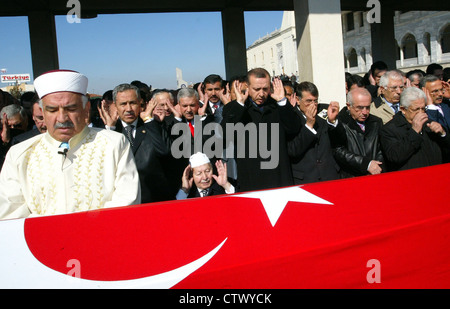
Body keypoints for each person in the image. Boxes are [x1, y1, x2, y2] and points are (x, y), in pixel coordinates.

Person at [0, 70, 141, 220]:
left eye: (71, 109)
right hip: (39, 242)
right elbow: (9, 212)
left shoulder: (113, 144)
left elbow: (127, 201)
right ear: (42, 112)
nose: (62, 118)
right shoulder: (20, 154)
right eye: (52, 110)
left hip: (101, 239)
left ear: (86, 110)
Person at [221, 68, 301, 192]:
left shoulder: (279, 105)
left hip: (279, 178)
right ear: (247, 87)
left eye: (265, 88)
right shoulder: (234, 108)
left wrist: (282, 102)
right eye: (257, 89)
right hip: (251, 179)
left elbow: (293, 129)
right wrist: (240, 105)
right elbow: (225, 134)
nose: (261, 93)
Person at [99, 83, 174, 203]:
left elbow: (164, 151)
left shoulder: (153, 124)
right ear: (115, 105)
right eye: (123, 104)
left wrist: (149, 120)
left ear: (140, 103)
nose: (128, 109)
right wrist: (110, 130)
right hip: (123, 202)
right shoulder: (109, 130)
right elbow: (104, 163)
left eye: (132, 103)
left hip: (154, 200)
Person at [380, 87, 450, 172]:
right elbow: (395, 157)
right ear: (403, 109)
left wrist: (443, 133)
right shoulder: (389, 129)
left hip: (436, 175)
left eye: (423, 108)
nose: (421, 113)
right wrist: (414, 132)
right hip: (411, 179)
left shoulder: (429, 124)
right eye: (416, 109)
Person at [287, 82, 342, 184]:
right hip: (305, 179)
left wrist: (333, 122)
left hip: (329, 176)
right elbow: (292, 150)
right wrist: (309, 125)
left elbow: (340, 141)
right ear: (298, 100)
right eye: (308, 101)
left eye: (315, 101)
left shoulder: (325, 111)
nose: (313, 105)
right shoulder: (290, 116)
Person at [335, 88, 384, 178]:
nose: (365, 112)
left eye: (368, 107)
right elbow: (338, 150)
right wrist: (366, 164)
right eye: (360, 108)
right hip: (350, 176)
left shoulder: (376, 122)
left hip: (375, 175)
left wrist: (376, 165)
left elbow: (381, 147)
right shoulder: (340, 123)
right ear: (349, 106)